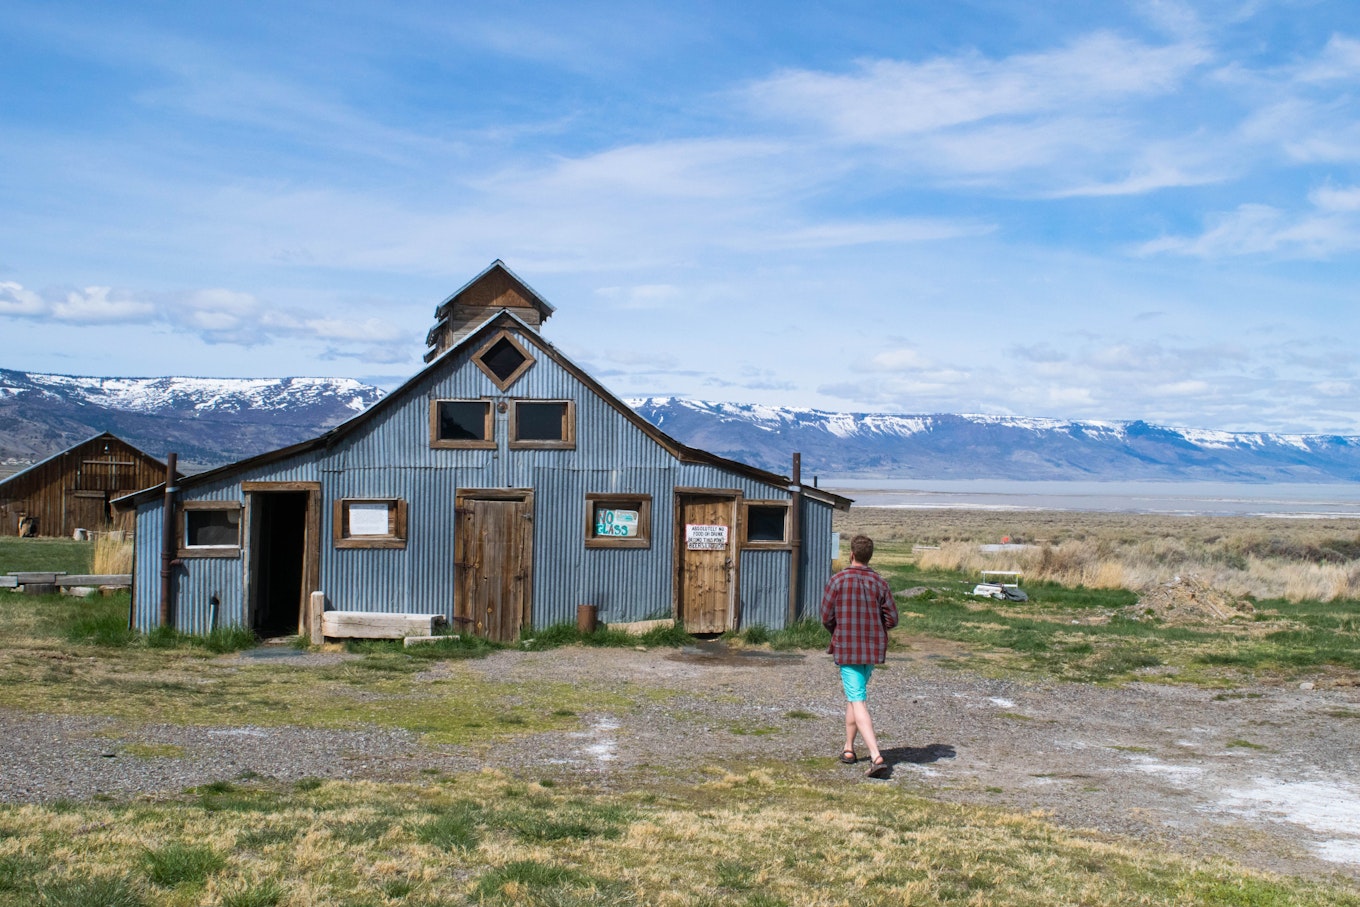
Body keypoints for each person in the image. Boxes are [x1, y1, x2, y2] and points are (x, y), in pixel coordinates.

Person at [820, 534, 898, 778]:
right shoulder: (880, 583)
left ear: (851, 554)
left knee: (858, 699)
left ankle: (876, 756)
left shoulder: (837, 580)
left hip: (847, 648)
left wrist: (839, 631)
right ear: (869, 556)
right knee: (855, 697)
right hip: (872, 649)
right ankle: (849, 748)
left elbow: (826, 616)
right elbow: (892, 619)